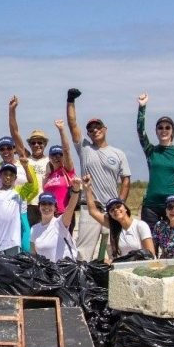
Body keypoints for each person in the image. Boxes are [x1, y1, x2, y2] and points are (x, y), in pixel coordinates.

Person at [66, 88, 131, 261]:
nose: (95, 131)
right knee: (83, 254)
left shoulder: (118, 154)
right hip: (90, 208)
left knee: (116, 252)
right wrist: (70, 100)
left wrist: (121, 204)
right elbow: (72, 125)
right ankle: (80, 285)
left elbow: (125, 180)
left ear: (105, 129)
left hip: (112, 210)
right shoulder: (85, 148)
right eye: (91, 129)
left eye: (98, 127)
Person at [136, 93, 174, 232]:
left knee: (170, 244)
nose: (164, 130)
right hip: (150, 206)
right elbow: (140, 131)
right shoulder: (151, 151)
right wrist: (142, 107)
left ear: (172, 131)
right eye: (160, 127)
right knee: (149, 246)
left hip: (172, 206)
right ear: (156, 131)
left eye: (167, 127)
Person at [85, 176, 155, 260]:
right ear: (110, 215)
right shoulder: (115, 227)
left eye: (118, 206)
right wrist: (87, 189)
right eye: (112, 209)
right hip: (123, 267)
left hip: (140, 267)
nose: (116, 210)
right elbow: (93, 212)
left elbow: (151, 255)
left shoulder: (140, 226)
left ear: (125, 208)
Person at [8, 96, 52, 223]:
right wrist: (12, 110)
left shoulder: (51, 161)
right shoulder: (25, 158)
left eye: (40, 142)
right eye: (33, 143)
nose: (37, 145)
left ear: (45, 144)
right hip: (27, 204)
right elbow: (15, 134)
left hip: (45, 204)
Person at [30, 178, 82, 262]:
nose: (46, 207)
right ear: (39, 207)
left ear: (55, 207)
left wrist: (76, 191)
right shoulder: (34, 229)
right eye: (43, 203)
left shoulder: (60, 223)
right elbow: (33, 255)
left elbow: (70, 208)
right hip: (47, 272)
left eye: (50, 204)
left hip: (65, 271)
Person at [0, 160, 32, 256]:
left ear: (15, 178)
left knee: (14, 268)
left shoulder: (19, 192)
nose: (8, 177)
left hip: (13, 241)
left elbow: (31, 185)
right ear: (0, 176)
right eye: (5, 174)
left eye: (11, 175)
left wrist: (26, 168)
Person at [40, 120, 77, 227]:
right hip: (50, 214)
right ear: (50, 157)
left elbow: (66, 150)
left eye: (59, 155)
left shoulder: (67, 170)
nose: (57, 157)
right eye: (54, 155)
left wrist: (61, 130)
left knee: (64, 243)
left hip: (65, 213)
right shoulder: (48, 175)